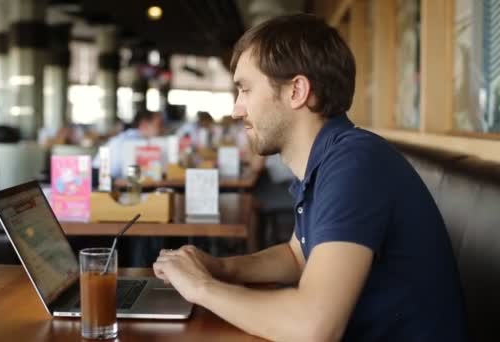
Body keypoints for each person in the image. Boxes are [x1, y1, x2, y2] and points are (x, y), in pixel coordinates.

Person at [153, 14, 467, 341]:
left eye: (245, 89)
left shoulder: (355, 164)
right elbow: (297, 255)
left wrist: (201, 287)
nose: (236, 109)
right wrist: (221, 268)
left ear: (297, 91)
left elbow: (313, 328)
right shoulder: (330, 160)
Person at [92, 110, 163, 179]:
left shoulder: (132, 137)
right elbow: (130, 175)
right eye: (159, 125)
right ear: (144, 125)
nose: (163, 129)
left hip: (108, 179)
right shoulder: (132, 141)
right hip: (103, 180)